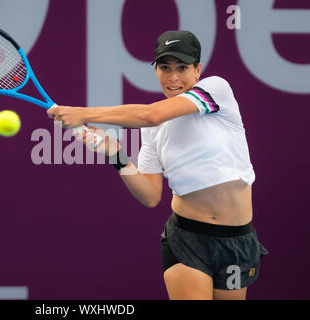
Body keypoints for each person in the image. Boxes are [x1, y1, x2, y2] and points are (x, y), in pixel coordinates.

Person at [47, 30, 268, 300]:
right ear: (156, 70)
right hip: (187, 241)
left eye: (182, 67)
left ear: (198, 70)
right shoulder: (151, 131)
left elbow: (151, 115)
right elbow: (151, 196)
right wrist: (116, 154)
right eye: (165, 67)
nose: (173, 77)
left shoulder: (217, 90)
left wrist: (81, 113)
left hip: (237, 240)